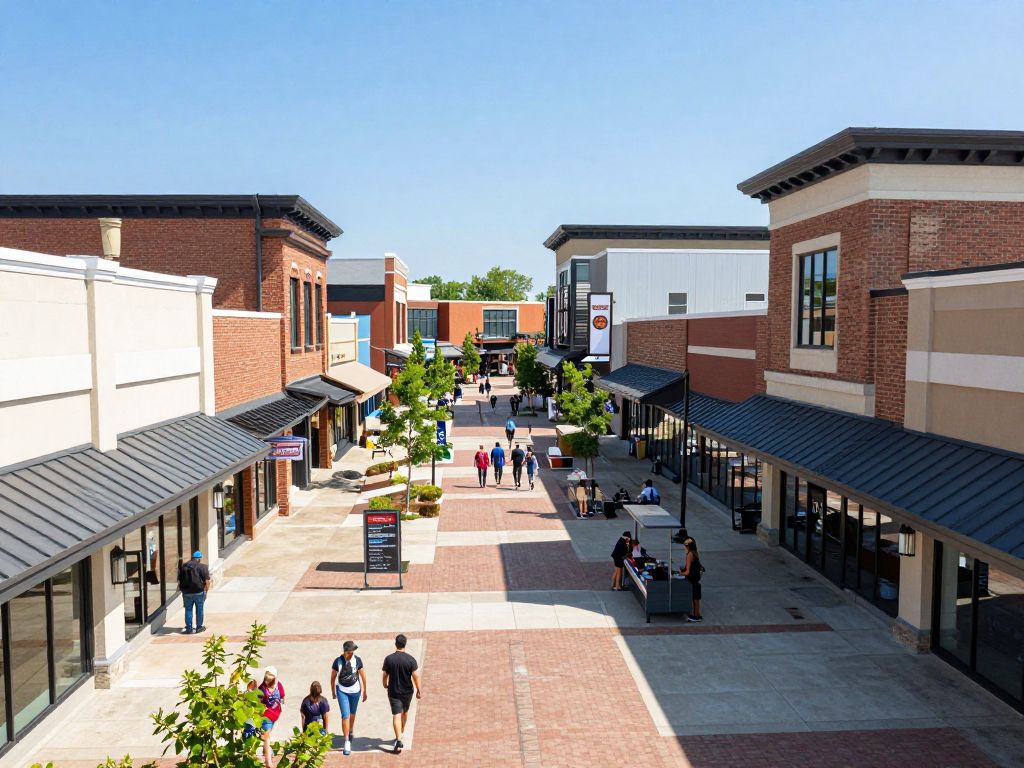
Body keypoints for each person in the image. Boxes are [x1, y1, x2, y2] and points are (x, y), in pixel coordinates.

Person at [382, 634, 422, 754]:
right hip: (407, 692)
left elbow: (385, 675)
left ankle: (399, 736)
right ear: (405, 644)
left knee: (397, 715)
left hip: (393, 692)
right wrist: (419, 689)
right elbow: (416, 676)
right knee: (404, 713)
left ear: (396, 644)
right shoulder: (411, 660)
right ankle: (401, 735)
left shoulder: (389, 659)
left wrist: (385, 684)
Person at [331, 639, 367, 756]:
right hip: (342, 691)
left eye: (353, 651)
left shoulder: (357, 660)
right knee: (345, 715)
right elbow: (332, 677)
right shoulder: (338, 662)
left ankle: (350, 730)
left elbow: (362, 675)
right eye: (351, 651)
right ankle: (346, 741)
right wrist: (333, 691)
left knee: (352, 713)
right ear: (346, 651)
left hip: (355, 690)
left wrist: (365, 690)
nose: (353, 653)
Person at [256, 666, 285, 767]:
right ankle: (268, 763)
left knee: (266, 737)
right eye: (266, 680)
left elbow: (282, 697)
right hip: (266, 716)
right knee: (267, 738)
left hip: (274, 715)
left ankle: (265, 752)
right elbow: (282, 698)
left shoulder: (276, 686)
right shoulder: (263, 688)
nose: (267, 682)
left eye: (269, 680)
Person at [177, 550, 210, 634]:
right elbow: (207, 582)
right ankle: (199, 627)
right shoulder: (202, 567)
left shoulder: (184, 566)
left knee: (188, 609)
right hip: (199, 592)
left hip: (187, 592)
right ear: (199, 559)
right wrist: (206, 591)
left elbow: (179, 580)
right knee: (199, 609)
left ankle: (189, 628)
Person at [680, 537, 704, 622]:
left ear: (687, 546)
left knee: (693, 598)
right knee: (696, 599)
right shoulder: (696, 553)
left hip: (691, 580)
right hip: (696, 580)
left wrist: (680, 573)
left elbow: (687, 572)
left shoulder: (689, 554)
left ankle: (696, 616)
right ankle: (697, 614)